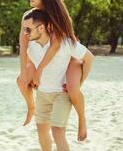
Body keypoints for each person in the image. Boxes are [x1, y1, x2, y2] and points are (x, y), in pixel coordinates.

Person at [17, 0, 88, 141]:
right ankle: (31, 107)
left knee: (72, 88)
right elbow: (23, 44)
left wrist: (39, 70)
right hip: (44, 55)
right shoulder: (30, 17)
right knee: (21, 81)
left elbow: (56, 46)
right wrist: (24, 71)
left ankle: (82, 120)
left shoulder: (56, 15)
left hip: (69, 56)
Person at [22, 9, 94, 151]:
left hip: (61, 94)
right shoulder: (31, 48)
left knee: (57, 131)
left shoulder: (65, 43)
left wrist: (79, 83)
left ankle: (82, 121)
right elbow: (29, 69)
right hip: (42, 94)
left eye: (28, 29)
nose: (25, 33)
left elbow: (89, 58)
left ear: (41, 28)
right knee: (41, 130)